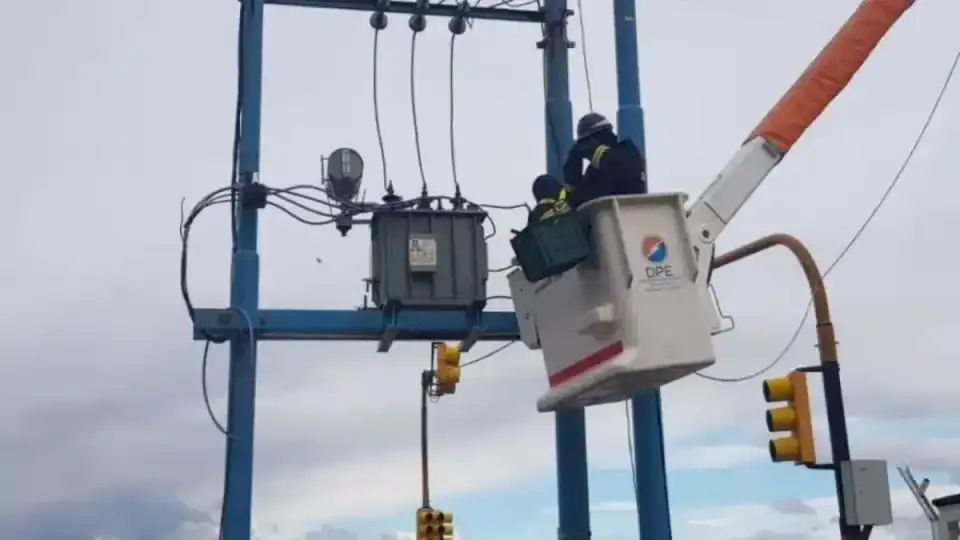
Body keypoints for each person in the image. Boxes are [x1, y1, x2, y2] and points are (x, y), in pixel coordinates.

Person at [562, 112, 647, 209]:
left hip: (629, 216)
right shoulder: (594, 172)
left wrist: (598, 152)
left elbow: (625, 178)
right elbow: (576, 201)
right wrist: (573, 168)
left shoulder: (628, 153)